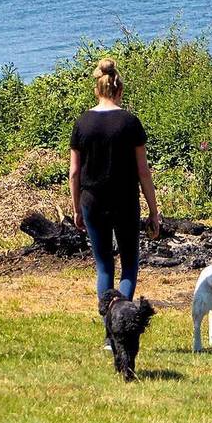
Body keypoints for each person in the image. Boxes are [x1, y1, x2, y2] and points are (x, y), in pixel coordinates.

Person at [69, 58, 161, 349]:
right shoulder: (130, 122)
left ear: (97, 89)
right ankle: (122, 326)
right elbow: (143, 171)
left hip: (91, 200)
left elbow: (73, 171)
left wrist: (75, 208)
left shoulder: (82, 123)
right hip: (124, 201)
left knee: (104, 268)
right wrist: (154, 210)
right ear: (119, 89)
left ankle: (110, 333)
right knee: (129, 267)